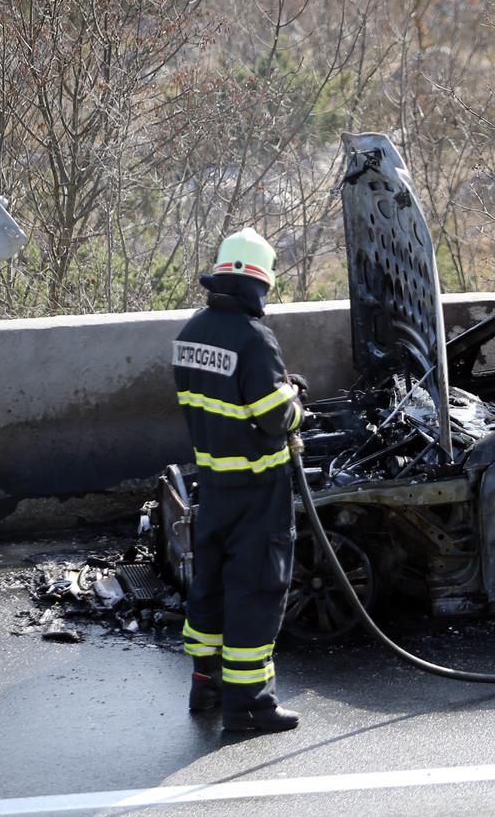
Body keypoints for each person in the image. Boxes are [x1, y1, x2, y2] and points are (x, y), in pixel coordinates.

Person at [171, 227, 304, 733]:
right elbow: (276, 419)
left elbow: (220, 400)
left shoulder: (191, 332)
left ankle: (206, 685)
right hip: (257, 487)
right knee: (256, 589)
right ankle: (250, 706)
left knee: (212, 587)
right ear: (257, 283)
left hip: (213, 482)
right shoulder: (253, 338)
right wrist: (297, 405)